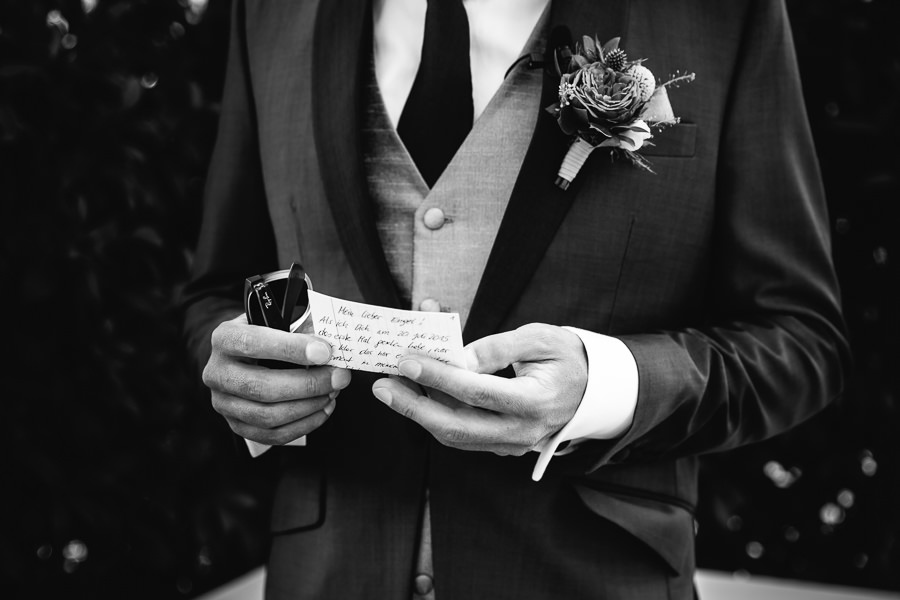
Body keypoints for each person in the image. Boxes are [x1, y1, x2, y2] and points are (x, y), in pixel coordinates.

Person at [181, 0, 850, 598]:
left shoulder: (724, 14)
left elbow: (801, 336)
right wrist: (244, 366)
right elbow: (219, 290)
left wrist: (602, 387)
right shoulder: (269, 12)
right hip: (327, 572)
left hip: (594, 576)